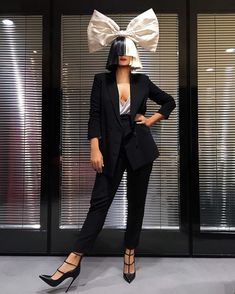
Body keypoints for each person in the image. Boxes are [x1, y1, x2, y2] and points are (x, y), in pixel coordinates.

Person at [39, 8, 176, 292]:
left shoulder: (142, 81)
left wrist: (148, 120)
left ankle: (129, 254)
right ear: (114, 52)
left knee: (136, 204)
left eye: (128, 48)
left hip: (140, 150)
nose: (124, 53)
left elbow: (169, 101)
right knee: (99, 205)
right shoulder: (101, 81)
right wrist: (94, 148)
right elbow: (94, 116)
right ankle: (73, 261)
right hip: (110, 151)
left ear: (133, 52)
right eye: (120, 48)